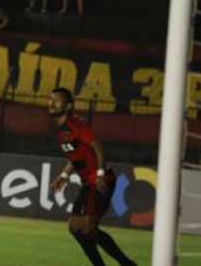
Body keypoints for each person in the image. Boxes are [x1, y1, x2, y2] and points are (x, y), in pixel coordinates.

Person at [48, 88, 137, 266]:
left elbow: (98, 147)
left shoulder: (77, 125)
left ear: (68, 106)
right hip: (88, 183)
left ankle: (126, 264)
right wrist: (64, 175)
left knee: (88, 229)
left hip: (99, 181)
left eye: (56, 100)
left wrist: (100, 174)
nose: (51, 103)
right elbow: (76, 158)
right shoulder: (62, 131)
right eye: (50, 99)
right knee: (75, 228)